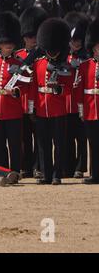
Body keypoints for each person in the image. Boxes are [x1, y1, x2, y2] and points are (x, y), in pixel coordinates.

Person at [28, 18, 74, 185]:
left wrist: (59, 89)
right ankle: (46, 174)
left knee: (59, 144)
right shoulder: (39, 63)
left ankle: (57, 174)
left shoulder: (66, 66)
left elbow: (69, 88)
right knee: (42, 144)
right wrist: (32, 107)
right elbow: (34, 87)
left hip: (58, 109)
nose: (52, 53)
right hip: (41, 108)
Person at [0, 12, 28, 175]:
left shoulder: (19, 63)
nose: (8, 45)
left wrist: (15, 91)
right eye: (5, 43)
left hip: (13, 108)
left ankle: (15, 171)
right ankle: (2, 172)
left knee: (15, 144)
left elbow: (26, 84)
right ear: (0, 44)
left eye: (10, 43)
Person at [16, 6, 48, 178]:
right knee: (24, 137)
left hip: (38, 101)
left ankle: (38, 166)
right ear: (24, 38)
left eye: (36, 36)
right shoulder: (19, 55)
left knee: (40, 138)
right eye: (30, 36)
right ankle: (26, 166)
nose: (33, 39)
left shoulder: (43, 56)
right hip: (22, 101)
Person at [64, 12, 89, 179]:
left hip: (82, 103)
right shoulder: (64, 58)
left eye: (79, 40)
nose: (76, 43)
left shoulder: (87, 58)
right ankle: (69, 166)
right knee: (67, 137)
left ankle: (80, 167)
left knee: (81, 138)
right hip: (66, 103)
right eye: (73, 40)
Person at [77, 19, 99, 184]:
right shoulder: (85, 65)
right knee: (93, 144)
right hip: (90, 109)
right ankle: (95, 174)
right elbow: (79, 90)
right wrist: (81, 111)